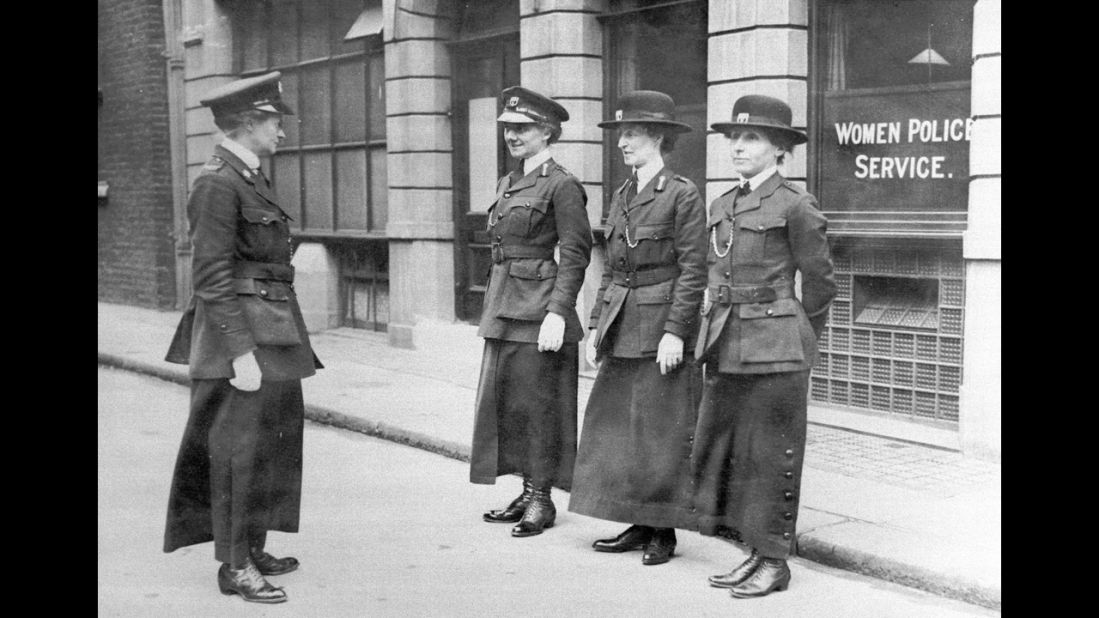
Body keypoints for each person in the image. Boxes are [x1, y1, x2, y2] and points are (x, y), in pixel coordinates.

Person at [163, 71, 322, 604]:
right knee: (237, 453)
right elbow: (209, 276)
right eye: (275, 122)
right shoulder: (217, 181)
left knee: (270, 446)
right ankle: (234, 565)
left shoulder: (248, 175)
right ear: (250, 122)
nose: (282, 131)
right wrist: (239, 353)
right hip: (242, 339)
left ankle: (252, 545)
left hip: (273, 329)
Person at [690, 94, 836, 598]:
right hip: (728, 341)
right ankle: (753, 551)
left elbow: (819, 284)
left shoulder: (796, 204)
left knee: (775, 454)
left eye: (750, 138)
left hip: (776, 347)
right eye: (733, 137)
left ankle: (775, 559)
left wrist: (796, 334)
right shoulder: (723, 204)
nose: (737, 146)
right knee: (739, 455)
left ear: (779, 150)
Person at [568, 91, 707, 566]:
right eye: (620, 134)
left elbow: (694, 270)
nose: (622, 142)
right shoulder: (624, 194)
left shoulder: (682, 194)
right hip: (622, 325)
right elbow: (608, 268)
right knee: (623, 428)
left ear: (659, 137)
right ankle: (637, 518)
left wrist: (675, 331)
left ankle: (663, 530)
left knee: (661, 430)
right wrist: (594, 325)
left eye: (632, 133)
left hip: (661, 329)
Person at [470, 86, 592, 537]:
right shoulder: (508, 183)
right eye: (508, 129)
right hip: (504, 307)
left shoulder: (562, 185)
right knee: (513, 405)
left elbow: (576, 253)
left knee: (542, 406)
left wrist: (559, 312)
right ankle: (527, 487)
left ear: (547, 132)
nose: (512, 136)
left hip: (540, 312)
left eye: (522, 128)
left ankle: (543, 497)